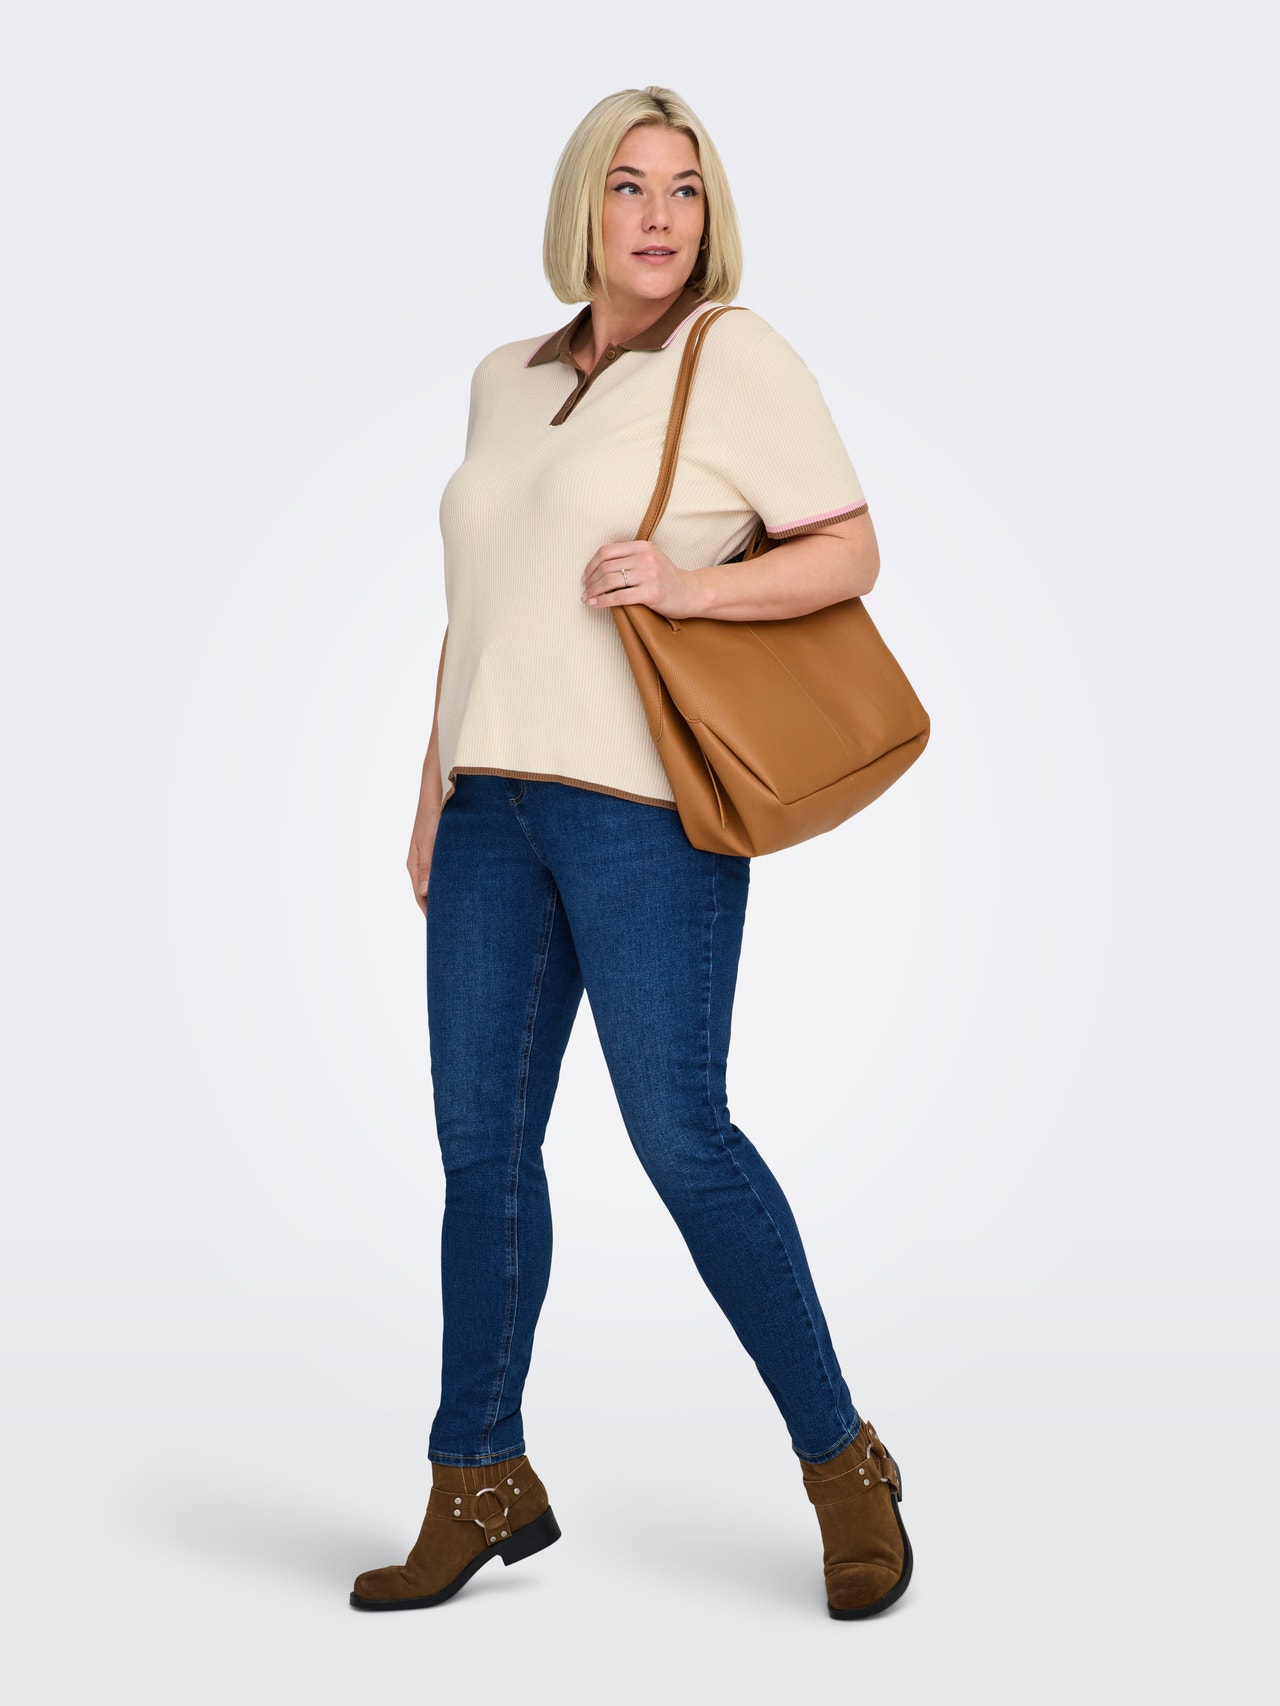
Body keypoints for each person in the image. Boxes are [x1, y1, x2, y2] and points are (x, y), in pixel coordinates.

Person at [350, 85, 912, 1621]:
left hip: (642, 812)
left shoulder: (734, 355)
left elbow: (851, 546)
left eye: (684, 188)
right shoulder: (504, 379)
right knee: (483, 1156)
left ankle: (846, 1464)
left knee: (682, 1136)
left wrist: (687, 584)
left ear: (708, 215)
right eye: (627, 185)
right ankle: (478, 1471)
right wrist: (433, 782)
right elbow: (483, 602)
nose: (658, 215)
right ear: (581, 208)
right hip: (490, 811)